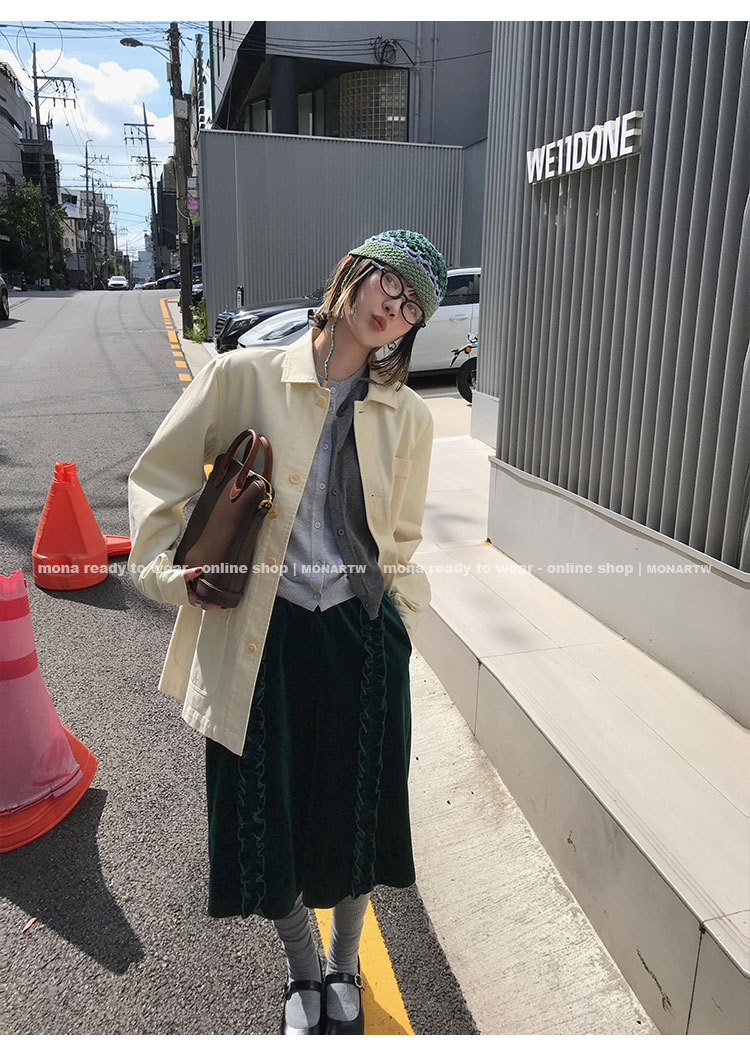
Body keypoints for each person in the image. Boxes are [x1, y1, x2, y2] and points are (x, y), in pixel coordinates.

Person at [128, 230, 447, 1035]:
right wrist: (169, 574)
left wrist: (400, 628)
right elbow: (159, 478)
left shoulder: (409, 417)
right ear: (350, 274)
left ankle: (345, 960)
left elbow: (402, 542)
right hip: (260, 638)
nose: (394, 308)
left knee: (356, 815)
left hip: (360, 638)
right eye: (388, 283)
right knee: (263, 815)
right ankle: (303, 965)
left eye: (413, 306)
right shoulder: (243, 377)